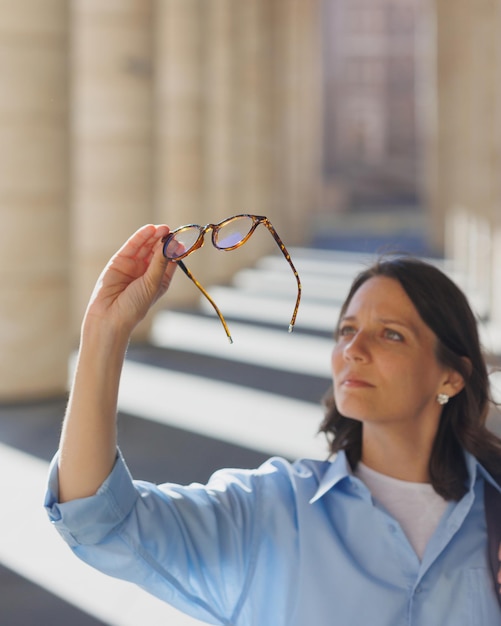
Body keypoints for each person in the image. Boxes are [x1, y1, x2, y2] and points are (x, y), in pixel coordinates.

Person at [45, 224, 501, 625]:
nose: (354, 350)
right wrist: (105, 331)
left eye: (391, 334)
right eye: (346, 330)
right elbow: (98, 519)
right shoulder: (274, 510)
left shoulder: (491, 514)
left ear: (451, 375)